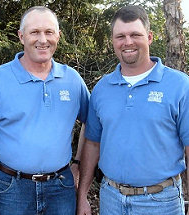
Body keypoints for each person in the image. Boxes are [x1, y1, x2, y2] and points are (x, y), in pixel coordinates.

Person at [0, 6, 90, 215]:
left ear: (58, 36)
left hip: (61, 188)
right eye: (35, 32)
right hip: (10, 189)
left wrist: (78, 164)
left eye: (49, 32)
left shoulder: (72, 80)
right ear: (21, 36)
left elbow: (92, 124)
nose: (42, 39)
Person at [77, 5, 189, 215]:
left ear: (149, 37)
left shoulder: (180, 86)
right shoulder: (102, 88)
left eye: (135, 35)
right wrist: (82, 195)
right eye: (120, 36)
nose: (127, 42)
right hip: (111, 199)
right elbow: (92, 144)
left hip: (162, 202)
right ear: (113, 40)